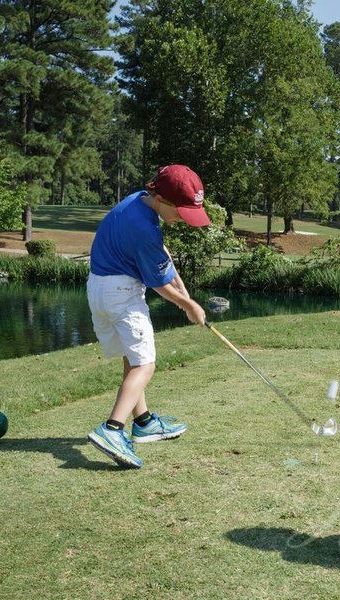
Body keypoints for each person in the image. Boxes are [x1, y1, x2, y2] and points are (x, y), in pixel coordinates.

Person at [86, 164, 210, 468]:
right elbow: (157, 284)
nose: (182, 218)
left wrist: (183, 289)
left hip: (99, 288)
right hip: (122, 295)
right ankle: (112, 429)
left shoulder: (139, 202)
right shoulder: (145, 230)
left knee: (132, 357)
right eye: (180, 211)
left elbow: (162, 256)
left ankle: (142, 421)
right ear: (163, 200)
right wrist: (188, 305)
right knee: (146, 364)